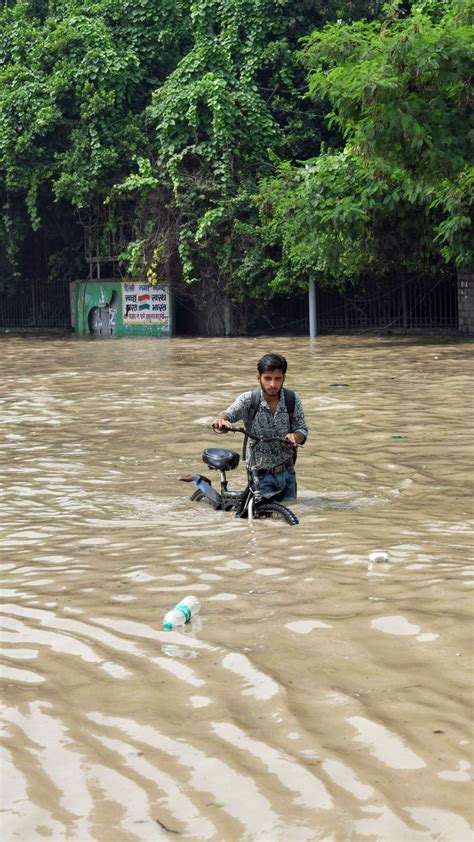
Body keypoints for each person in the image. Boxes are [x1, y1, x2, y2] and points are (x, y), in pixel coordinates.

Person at [213, 353, 308, 500]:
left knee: (292, 513)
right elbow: (227, 414)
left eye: (277, 379)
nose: (272, 384)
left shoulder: (292, 399)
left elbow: (302, 428)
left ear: (284, 378)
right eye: (268, 378)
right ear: (259, 378)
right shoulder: (248, 400)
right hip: (260, 473)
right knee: (261, 517)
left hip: (287, 471)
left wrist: (295, 437)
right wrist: (221, 422)